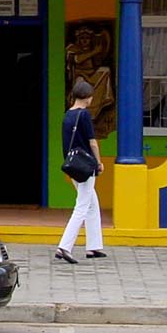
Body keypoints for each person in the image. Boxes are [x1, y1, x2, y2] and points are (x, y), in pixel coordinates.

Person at [55, 79, 106, 264]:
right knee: (82, 206)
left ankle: (94, 246)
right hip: (86, 166)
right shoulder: (83, 115)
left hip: (73, 165)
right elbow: (92, 142)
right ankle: (64, 246)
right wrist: (99, 162)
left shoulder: (67, 115)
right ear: (87, 97)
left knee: (92, 204)